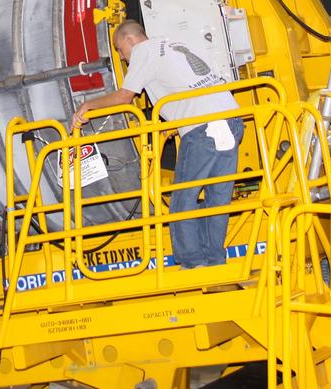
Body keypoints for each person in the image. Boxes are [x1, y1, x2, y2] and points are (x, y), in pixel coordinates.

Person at [70, 21, 244, 268]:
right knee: (218, 198)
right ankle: (214, 260)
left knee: (183, 198)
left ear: (129, 41)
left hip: (203, 129)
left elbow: (124, 97)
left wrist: (88, 106)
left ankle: (192, 262)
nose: (124, 59)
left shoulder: (144, 51)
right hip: (232, 121)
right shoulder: (173, 43)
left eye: (120, 51)